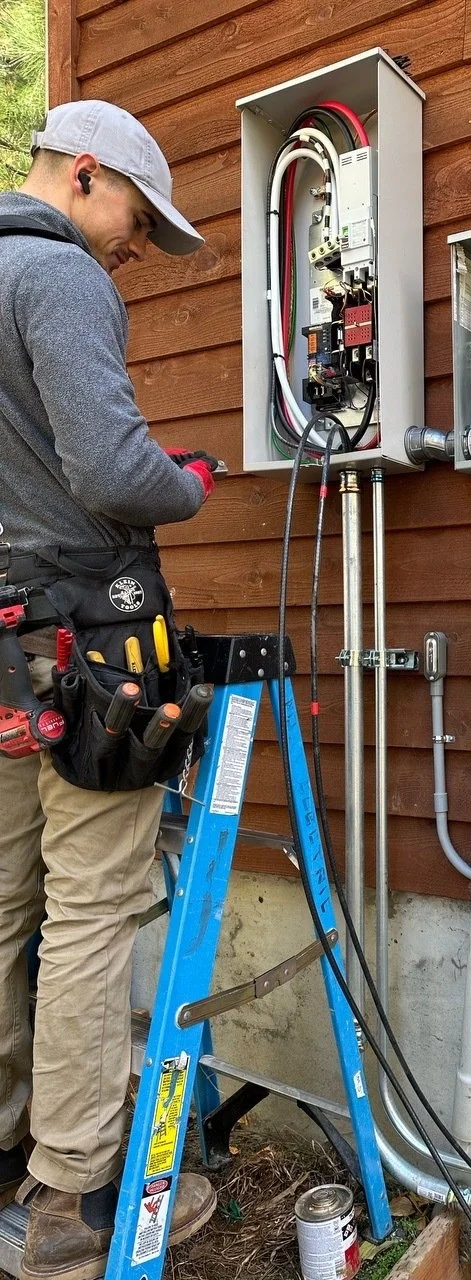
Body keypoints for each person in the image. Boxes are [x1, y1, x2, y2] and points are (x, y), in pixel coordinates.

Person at [0, 100, 219, 1279]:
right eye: (136, 216)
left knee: (2, 904)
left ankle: (10, 1151)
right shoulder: (60, 275)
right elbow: (111, 465)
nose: (135, 243)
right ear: (84, 176)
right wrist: (186, 479)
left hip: (2, 649)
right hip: (89, 644)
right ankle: (70, 1195)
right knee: (91, 911)